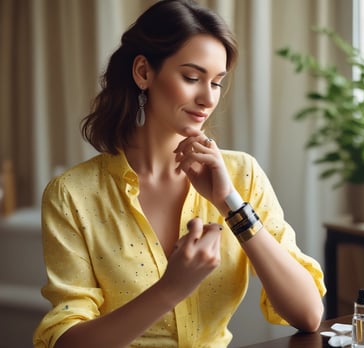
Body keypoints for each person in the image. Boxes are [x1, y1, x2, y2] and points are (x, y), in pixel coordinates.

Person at [33, 0, 326, 347]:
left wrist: (230, 203)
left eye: (216, 82)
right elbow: (68, 342)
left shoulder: (241, 174)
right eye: (191, 77)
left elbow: (309, 315)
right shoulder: (72, 195)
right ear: (143, 72)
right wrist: (172, 288)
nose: (207, 98)